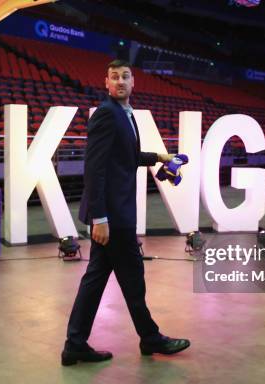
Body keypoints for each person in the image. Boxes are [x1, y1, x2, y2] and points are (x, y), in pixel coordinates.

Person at [62, 60, 190, 366]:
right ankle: (150, 338)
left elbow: (127, 156)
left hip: (115, 214)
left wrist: (161, 155)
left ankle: (74, 344)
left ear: (133, 83)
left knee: (94, 281)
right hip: (113, 217)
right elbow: (95, 169)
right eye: (115, 77)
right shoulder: (107, 113)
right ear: (106, 83)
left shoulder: (125, 114)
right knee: (133, 278)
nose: (120, 81)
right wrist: (100, 217)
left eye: (125, 76)